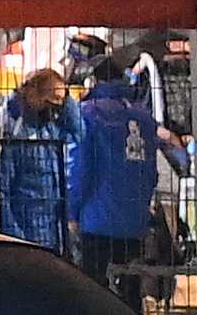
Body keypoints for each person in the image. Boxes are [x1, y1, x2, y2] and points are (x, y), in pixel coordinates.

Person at [64, 36, 170, 293]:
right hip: (134, 222)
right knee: (130, 298)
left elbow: (80, 170)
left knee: (93, 295)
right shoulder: (142, 117)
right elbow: (150, 173)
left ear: (91, 79)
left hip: (95, 222)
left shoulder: (87, 114)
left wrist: (72, 213)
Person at [0, 66, 74, 254]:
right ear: (34, 96)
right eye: (52, 101)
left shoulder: (46, 127)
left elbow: (79, 133)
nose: (56, 109)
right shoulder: (8, 130)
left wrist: (68, 103)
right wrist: (17, 243)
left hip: (50, 238)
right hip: (24, 240)